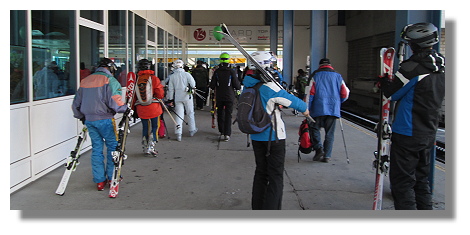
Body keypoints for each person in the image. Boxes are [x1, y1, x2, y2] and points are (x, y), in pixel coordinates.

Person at [379, 23, 445, 210]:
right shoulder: (442, 65)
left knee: (403, 183)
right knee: (421, 180)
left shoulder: (412, 67)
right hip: (428, 131)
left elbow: (391, 94)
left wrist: (385, 82)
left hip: (407, 132)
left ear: (415, 44)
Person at [244, 51, 310, 210]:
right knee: (275, 176)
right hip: (273, 138)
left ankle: (258, 208)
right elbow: (294, 102)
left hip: (255, 136)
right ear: (265, 66)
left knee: (260, 173)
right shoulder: (269, 87)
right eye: (271, 65)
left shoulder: (247, 85)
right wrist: (306, 110)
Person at [72, 58, 128, 191]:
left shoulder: (85, 81)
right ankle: (111, 177)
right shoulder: (110, 81)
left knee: (96, 148)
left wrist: (80, 116)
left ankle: (99, 181)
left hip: (90, 120)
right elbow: (115, 102)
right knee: (113, 147)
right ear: (111, 68)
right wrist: (126, 109)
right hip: (106, 119)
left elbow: (76, 103)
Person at [308, 58, 350, 163]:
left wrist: (306, 109)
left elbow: (309, 94)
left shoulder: (315, 75)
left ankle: (319, 148)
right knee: (329, 133)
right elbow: (345, 93)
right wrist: (338, 102)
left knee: (314, 129)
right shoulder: (338, 76)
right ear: (330, 65)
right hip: (332, 109)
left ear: (320, 65)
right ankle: (327, 156)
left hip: (317, 108)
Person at [134, 59, 165, 156]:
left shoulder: (136, 79)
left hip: (141, 108)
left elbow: (133, 97)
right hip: (154, 107)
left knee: (145, 127)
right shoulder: (154, 78)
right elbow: (160, 94)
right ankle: (152, 144)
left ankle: (145, 145)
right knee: (155, 126)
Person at [209, 52, 241, 141]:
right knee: (228, 114)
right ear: (228, 60)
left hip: (219, 96)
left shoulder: (217, 72)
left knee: (220, 113)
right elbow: (237, 85)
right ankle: (227, 134)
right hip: (230, 96)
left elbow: (212, 85)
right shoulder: (232, 71)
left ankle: (221, 131)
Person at [166, 59, 198, 141]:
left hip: (177, 98)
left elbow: (171, 89)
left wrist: (170, 99)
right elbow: (193, 84)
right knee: (190, 113)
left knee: (179, 115)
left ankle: (178, 133)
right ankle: (192, 130)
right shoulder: (187, 74)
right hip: (187, 97)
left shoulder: (172, 76)